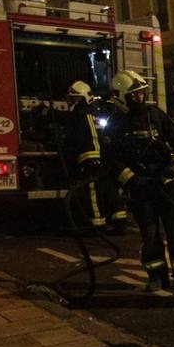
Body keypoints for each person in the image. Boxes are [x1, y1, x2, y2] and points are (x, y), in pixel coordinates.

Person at [102, 69, 174, 293]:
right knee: (150, 235)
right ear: (122, 97)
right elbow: (110, 160)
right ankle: (156, 276)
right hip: (141, 190)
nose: (141, 97)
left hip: (166, 185)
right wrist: (133, 180)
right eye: (135, 94)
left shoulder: (156, 116)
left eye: (142, 93)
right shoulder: (115, 124)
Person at [63, 81, 129, 233]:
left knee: (93, 190)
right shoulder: (96, 112)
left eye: (75, 98)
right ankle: (120, 221)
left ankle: (97, 225)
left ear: (83, 98)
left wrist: (92, 157)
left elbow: (90, 136)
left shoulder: (83, 113)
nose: (73, 102)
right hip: (104, 157)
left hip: (91, 158)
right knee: (109, 188)